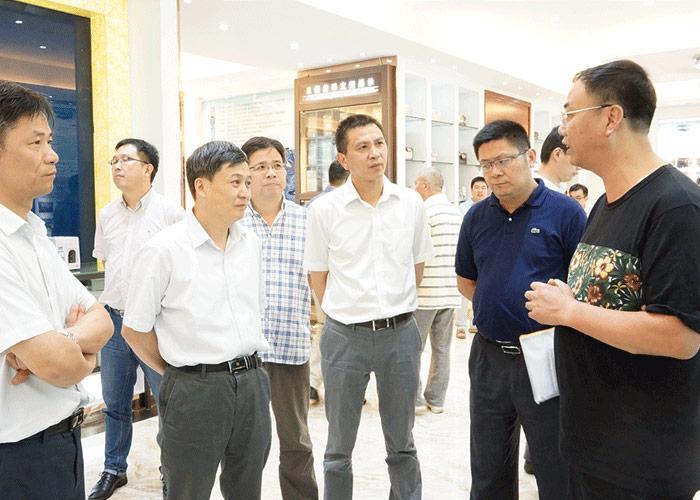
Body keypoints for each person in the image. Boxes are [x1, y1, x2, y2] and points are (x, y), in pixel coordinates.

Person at [525, 59, 700, 500]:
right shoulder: (605, 203)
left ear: (610, 118)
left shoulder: (677, 206)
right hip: (592, 441)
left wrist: (569, 311)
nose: (562, 128)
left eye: (570, 113)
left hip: (642, 458)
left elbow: (680, 336)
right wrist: (572, 300)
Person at [121, 141, 272, 500]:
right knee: (188, 491)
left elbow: (256, 310)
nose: (245, 192)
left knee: (248, 488)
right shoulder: (164, 250)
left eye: (247, 182)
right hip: (195, 390)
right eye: (235, 182)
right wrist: (180, 372)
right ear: (201, 186)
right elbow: (134, 329)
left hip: (252, 383)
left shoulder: (250, 243)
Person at [455, 119, 586, 500]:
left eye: (503, 160)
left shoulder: (566, 213)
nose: (494, 172)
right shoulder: (476, 217)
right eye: (486, 164)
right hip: (489, 355)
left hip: (546, 352)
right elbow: (467, 280)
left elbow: (580, 288)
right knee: (488, 465)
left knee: (555, 462)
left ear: (529, 156)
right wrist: (500, 306)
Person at [305, 114, 433, 500]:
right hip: (345, 337)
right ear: (343, 159)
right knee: (338, 448)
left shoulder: (410, 203)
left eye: (379, 143)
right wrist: (344, 312)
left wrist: (393, 305)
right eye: (362, 147)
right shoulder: (324, 210)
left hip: (401, 334)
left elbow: (417, 267)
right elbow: (318, 275)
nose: (375, 153)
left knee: (402, 443)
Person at [0, 80, 113, 499]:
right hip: (16, 456)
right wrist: (70, 353)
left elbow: (102, 319)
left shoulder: (33, 234)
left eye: (49, 141)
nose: (53, 155)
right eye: (35, 142)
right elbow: (58, 365)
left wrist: (62, 341)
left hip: (62, 441)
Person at [89, 138, 184, 500]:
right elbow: (107, 261)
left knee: (167, 402)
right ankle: (114, 468)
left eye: (126, 159)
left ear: (148, 169)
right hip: (115, 323)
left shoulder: (171, 214)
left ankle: (170, 470)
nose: (117, 166)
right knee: (115, 403)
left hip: (156, 324)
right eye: (114, 160)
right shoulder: (107, 214)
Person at [241, 136, 318, 500]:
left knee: (296, 441)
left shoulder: (308, 221)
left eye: (277, 165)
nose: (271, 173)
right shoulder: (233, 222)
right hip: (244, 353)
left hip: (291, 348)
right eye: (260, 167)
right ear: (246, 174)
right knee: (245, 445)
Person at [413, 167, 462, 414]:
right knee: (442, 349)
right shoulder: (456, 213)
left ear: (425, 186)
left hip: (425, 293)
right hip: (450, 292)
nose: (414, 188)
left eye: (416, 184)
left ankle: (416, 400)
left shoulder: (424, 212)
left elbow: (416, 253)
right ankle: (436, 399)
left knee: (414, 348)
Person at [307, 159, 350, 404]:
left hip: (320, 279)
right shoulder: (331, 205)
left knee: (328, 330)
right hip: (333, 281)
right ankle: (315, 382)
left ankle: (316, 382)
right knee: (331, 330)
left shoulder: (313, 203)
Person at [456, 176, 488, 339]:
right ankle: (460, 325)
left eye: (483, 187)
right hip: (467, 253)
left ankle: (476, 322)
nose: (480, 190)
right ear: (471, 190)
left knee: (482, 288)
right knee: (463, 288)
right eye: (477, 187)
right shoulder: (462, 209)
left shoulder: (492, 208)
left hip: (484, 255)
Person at [536, 126, 578, 192]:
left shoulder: (559, 190)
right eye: (576, 157)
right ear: (557, 154)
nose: (579, 167)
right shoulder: (532, 192)